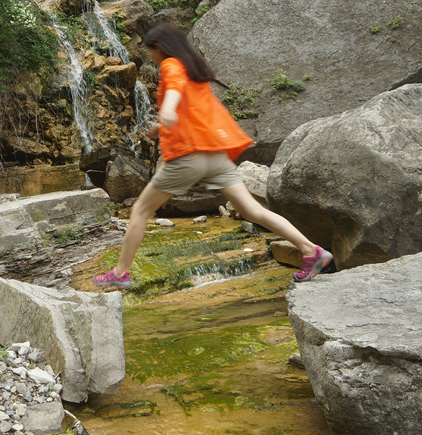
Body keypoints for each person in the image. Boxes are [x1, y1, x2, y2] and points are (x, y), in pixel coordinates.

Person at [93, 23, 331, 288]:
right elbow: (191, 109)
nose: (153, 58)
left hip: (189, 156)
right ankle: (311, 250)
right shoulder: (194, 70)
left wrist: (167, 113)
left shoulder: (171, 65)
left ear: (159, 48)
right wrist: (162, 127)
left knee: (140, 210)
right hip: (214, 154)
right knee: (252, 210)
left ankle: (121, 273)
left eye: (151, 53)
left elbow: (173, 95)